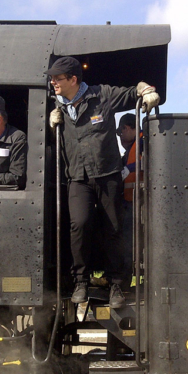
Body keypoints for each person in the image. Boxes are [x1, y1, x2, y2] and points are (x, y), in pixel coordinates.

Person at [46, 56, 159, 309]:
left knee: (114, 228)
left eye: (58, 78)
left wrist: (146, 90)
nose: (53, 82)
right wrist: (50, 124)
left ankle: (117, 283)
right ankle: (81, 281)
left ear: (73, 80)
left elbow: (133, 92)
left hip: (108, 176)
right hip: (78, 177)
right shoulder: (57, 105)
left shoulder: (103, 95)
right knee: (79, 224)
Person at [117, 113, 142, 288]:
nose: (120, 136)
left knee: (128, 243)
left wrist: (128, 168)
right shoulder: (132, 146)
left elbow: (149, 161)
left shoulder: (144, 141)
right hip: (130, 202)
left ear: (127, 127)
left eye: (121, 132)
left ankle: (124, 280)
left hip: (139, 203)